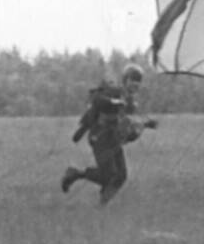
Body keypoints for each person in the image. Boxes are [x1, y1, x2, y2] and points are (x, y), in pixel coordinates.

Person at [61, 64, 156, 203]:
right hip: (100, 136)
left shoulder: (130, 102)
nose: (136, 83)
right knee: (109, 175)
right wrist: (115, 102)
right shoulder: (114, 91)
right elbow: (97, 100)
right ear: (125, 79)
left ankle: (102, 206)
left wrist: (145, 125)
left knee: (121, 176)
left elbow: (127, 124)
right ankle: (75, 174)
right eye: (133, 79)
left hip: (114, 139)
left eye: (139, 80)